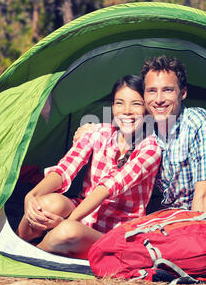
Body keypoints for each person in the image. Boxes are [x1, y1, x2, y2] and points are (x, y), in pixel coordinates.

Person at [16, 75, 162, 259]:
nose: (126, 111)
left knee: (67, 231)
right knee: (44, 204)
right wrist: (31, 196)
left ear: (147, 109)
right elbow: (65, 168)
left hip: (117, 232)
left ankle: (29, 258)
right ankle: (17, 244)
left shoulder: (150, 149)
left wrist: (67, 221)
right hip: (85, 213)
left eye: (136, 104)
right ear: (112, 106)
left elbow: (107, 187)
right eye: (119, 103)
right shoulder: (98, 132)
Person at [75, 56, 206, 214]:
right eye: (152, 91)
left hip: (196, 224)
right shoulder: (148, 131)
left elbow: (205, 199)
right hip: (164, 220)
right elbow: (115, 136)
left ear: (183, 93)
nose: (158, 100)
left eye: (167, 90)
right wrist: (89, 131)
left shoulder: (201, 124)